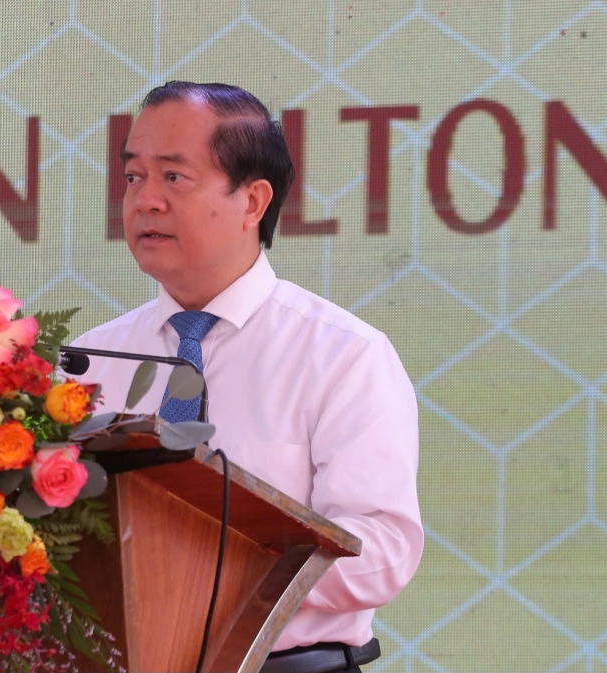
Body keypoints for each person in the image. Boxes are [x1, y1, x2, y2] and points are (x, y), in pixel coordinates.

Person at [70, 81, 423, 673]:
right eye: (133, 176)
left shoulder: (342, 355)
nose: (145, 200)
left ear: (254, 201)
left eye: (173, 177)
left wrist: (213, 577)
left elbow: (382, 551)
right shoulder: (89, 359)